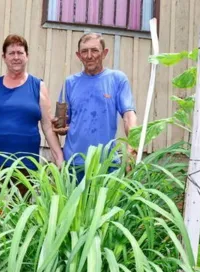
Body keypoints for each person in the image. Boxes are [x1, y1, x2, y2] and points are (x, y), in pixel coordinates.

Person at [0, 34, 64, 174]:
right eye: (11, 53)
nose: (16, 57)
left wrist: (59, 158)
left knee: (22, 197)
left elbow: (48, 127)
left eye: (20, 53)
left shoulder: (37, 86)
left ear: (27, 56)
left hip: (25, 167)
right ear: (4, 57)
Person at [53, 33, 137, 177]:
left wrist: (133, 146)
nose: (89, 56)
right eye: (84, 51)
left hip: (106, 165)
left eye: (95, 50)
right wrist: (60, 127)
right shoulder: (70, 83)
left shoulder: (117, 79)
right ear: (79, 56)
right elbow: (63, 123)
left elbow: (129, 116)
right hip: (74, 163)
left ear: (104, 53)